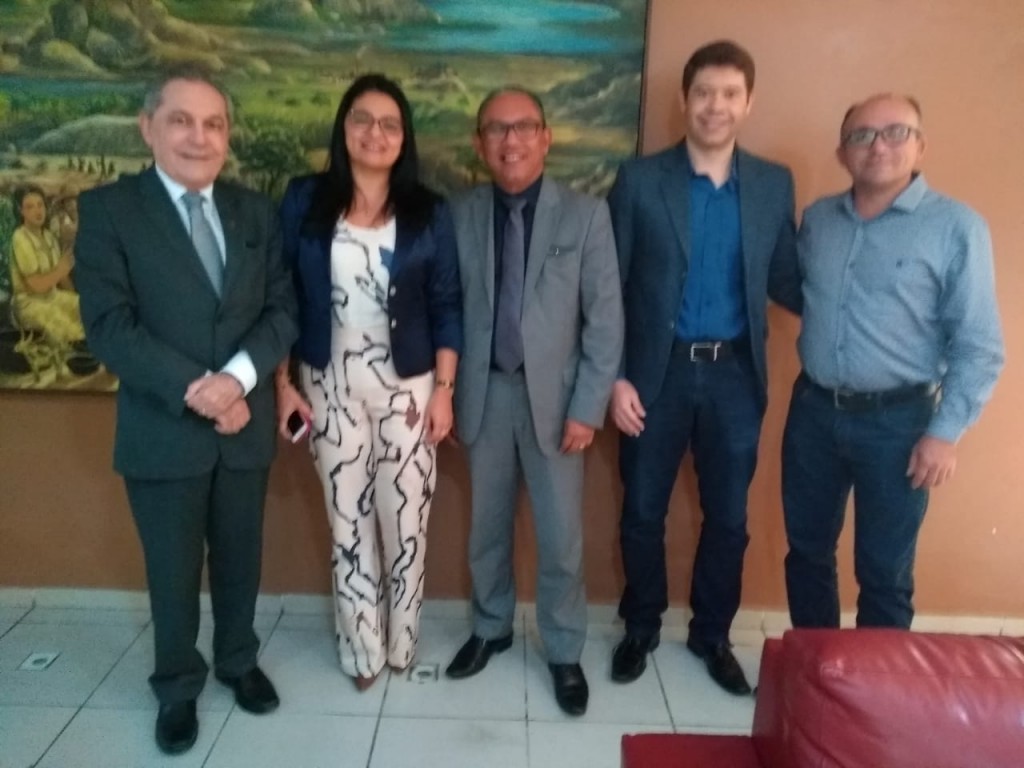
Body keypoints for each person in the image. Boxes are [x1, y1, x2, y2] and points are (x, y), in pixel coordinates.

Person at [75, 66, 297, 755]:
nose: (199, 137)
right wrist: (202, 390)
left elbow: (282, 309)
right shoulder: (110, 211)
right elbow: (110, 326)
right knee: (171, 571)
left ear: (227, 136)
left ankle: (237, 660)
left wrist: (235, 381)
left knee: (240, 559)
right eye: (181, 120)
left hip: (243, 427)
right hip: (163, 429)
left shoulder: (256, 212)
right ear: (148, 128)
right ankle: (176, 684)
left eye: (214, 124)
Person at [607, 40, 801, 695]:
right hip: (652, 377)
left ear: (748, 103)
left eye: (729, 94)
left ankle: (712, 635)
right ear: (684, 99)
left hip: (734, 378)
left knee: (729, 520)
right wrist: (615, 377)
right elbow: (609, 288)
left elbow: (788, 279)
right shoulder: (639, 181)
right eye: (703, 93)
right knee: (642, 511)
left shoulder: (773, 185)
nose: (715, 106)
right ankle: (640, 626)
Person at [782, 93, 1004, 630]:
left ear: (920, 146)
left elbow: (979, 345)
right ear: (843, 152)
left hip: (900, 425)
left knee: (884, 572)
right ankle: (817, 667)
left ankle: (874, 680)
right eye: (861, 135)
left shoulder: (956, 227)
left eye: (895, 132)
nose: (878, 146)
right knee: (807, 553)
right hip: (813, 412)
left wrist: (944, 433)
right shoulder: (819, 220)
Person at [274, 73, 462, 691]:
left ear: (403, 137)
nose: (374, 133)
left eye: (389, 123)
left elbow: (447, 304)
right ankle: (363, 650)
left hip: (410, 386)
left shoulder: (429, 211)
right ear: (343, 127)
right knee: (347, 521)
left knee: (405, 519)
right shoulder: (303, 200)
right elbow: (280, 295)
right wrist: (282, 383)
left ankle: (403, 641)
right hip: (327, 381)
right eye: (362, 119)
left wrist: (445, 390)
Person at [444, 87, 623, 716]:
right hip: (483, 393)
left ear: (546, 137)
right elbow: (445, 306)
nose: (511, 140)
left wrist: (588, 406)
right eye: (496, 129)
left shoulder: (585, 215)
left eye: (523, 127)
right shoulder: (459, 214)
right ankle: (490, 626)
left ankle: (564, 649)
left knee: (561, 537)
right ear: (479, 143)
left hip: (559, 404)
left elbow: (605, 321)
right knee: (485, 527)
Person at [9, 185, 87, 359]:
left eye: (40, 205)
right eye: (30, 207)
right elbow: (36, 286)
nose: (38, 211)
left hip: (53, 297)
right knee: (68, 328)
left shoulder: (49, 236)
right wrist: (60, 270)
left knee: (88, 309)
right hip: (29, 304)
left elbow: (63, 279)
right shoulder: (20, 238)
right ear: (21, 211)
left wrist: (77, 300)